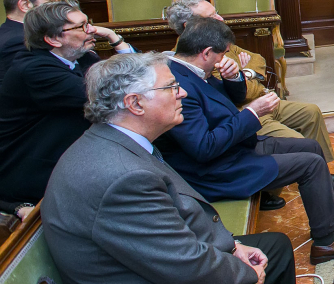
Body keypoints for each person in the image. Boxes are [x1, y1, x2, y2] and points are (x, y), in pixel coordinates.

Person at [41, 52, 297, 284]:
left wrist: (232, 247)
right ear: (136, 104)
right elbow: (186, 266)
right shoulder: (124, 178)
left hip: (164, 258)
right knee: (271, 254)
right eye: (172, 87)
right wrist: (246, 275)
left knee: (275, 245)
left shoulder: (114, 140)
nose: (183, 93)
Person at [158, 19, 334, 264]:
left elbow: (228, 100)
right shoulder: (180, 84)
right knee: (310, 164)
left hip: (235, 148)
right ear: (206, 53)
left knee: (311, 146)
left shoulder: (192, 70)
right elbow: (203, 148)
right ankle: (326, 242)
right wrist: (252, 113)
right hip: (217, 169)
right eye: (222, 54)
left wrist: (234, 77)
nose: (224, 59)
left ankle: (331, 218)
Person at [0, 1, 135, 216]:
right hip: (32, 177)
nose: (91, 30)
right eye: (81, 26)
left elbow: (128, 82)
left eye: (88, 23)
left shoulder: (83, 57)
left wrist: (114, 38)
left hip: (70, 165)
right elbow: (118, 94)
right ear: (53, 38)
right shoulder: (35, 69)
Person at [164, 0, 334, 164]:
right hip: (244, 112)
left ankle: (322, 169)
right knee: (297, 141)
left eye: (217, 13)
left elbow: (258, 59)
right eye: (211, 17)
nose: (220, 19)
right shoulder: (196, 57)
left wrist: (244, 74)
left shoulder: (218, 40)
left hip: (259, 101)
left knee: (311, 112)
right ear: (189, 26)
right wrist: (243, 76)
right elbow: (244, 94)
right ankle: (301, 172)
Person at [0, 0, 62, 82]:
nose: (60, 8)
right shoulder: (19, 41)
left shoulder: (10, 32)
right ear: (25, 5)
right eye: (52, 2)